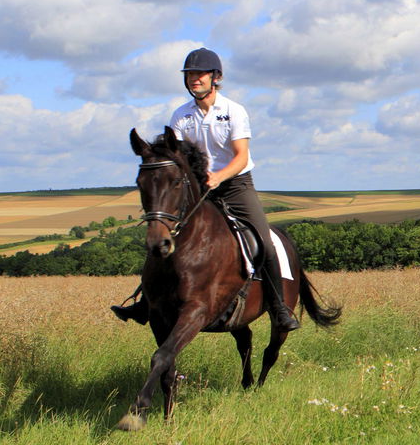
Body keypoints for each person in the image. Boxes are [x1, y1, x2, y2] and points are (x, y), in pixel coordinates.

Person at [111, 47, 300, 331]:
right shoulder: (180, 116)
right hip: (198, 189)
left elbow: (241, 157)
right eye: (189, 75)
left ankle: (279, 309)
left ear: (216, 77)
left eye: (200, 74)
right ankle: (145, 302)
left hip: (236, 185)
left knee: (265, 242)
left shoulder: (234, 111)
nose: (194, 79)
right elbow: (176, 157)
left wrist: (218, 177)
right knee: (164, 234)